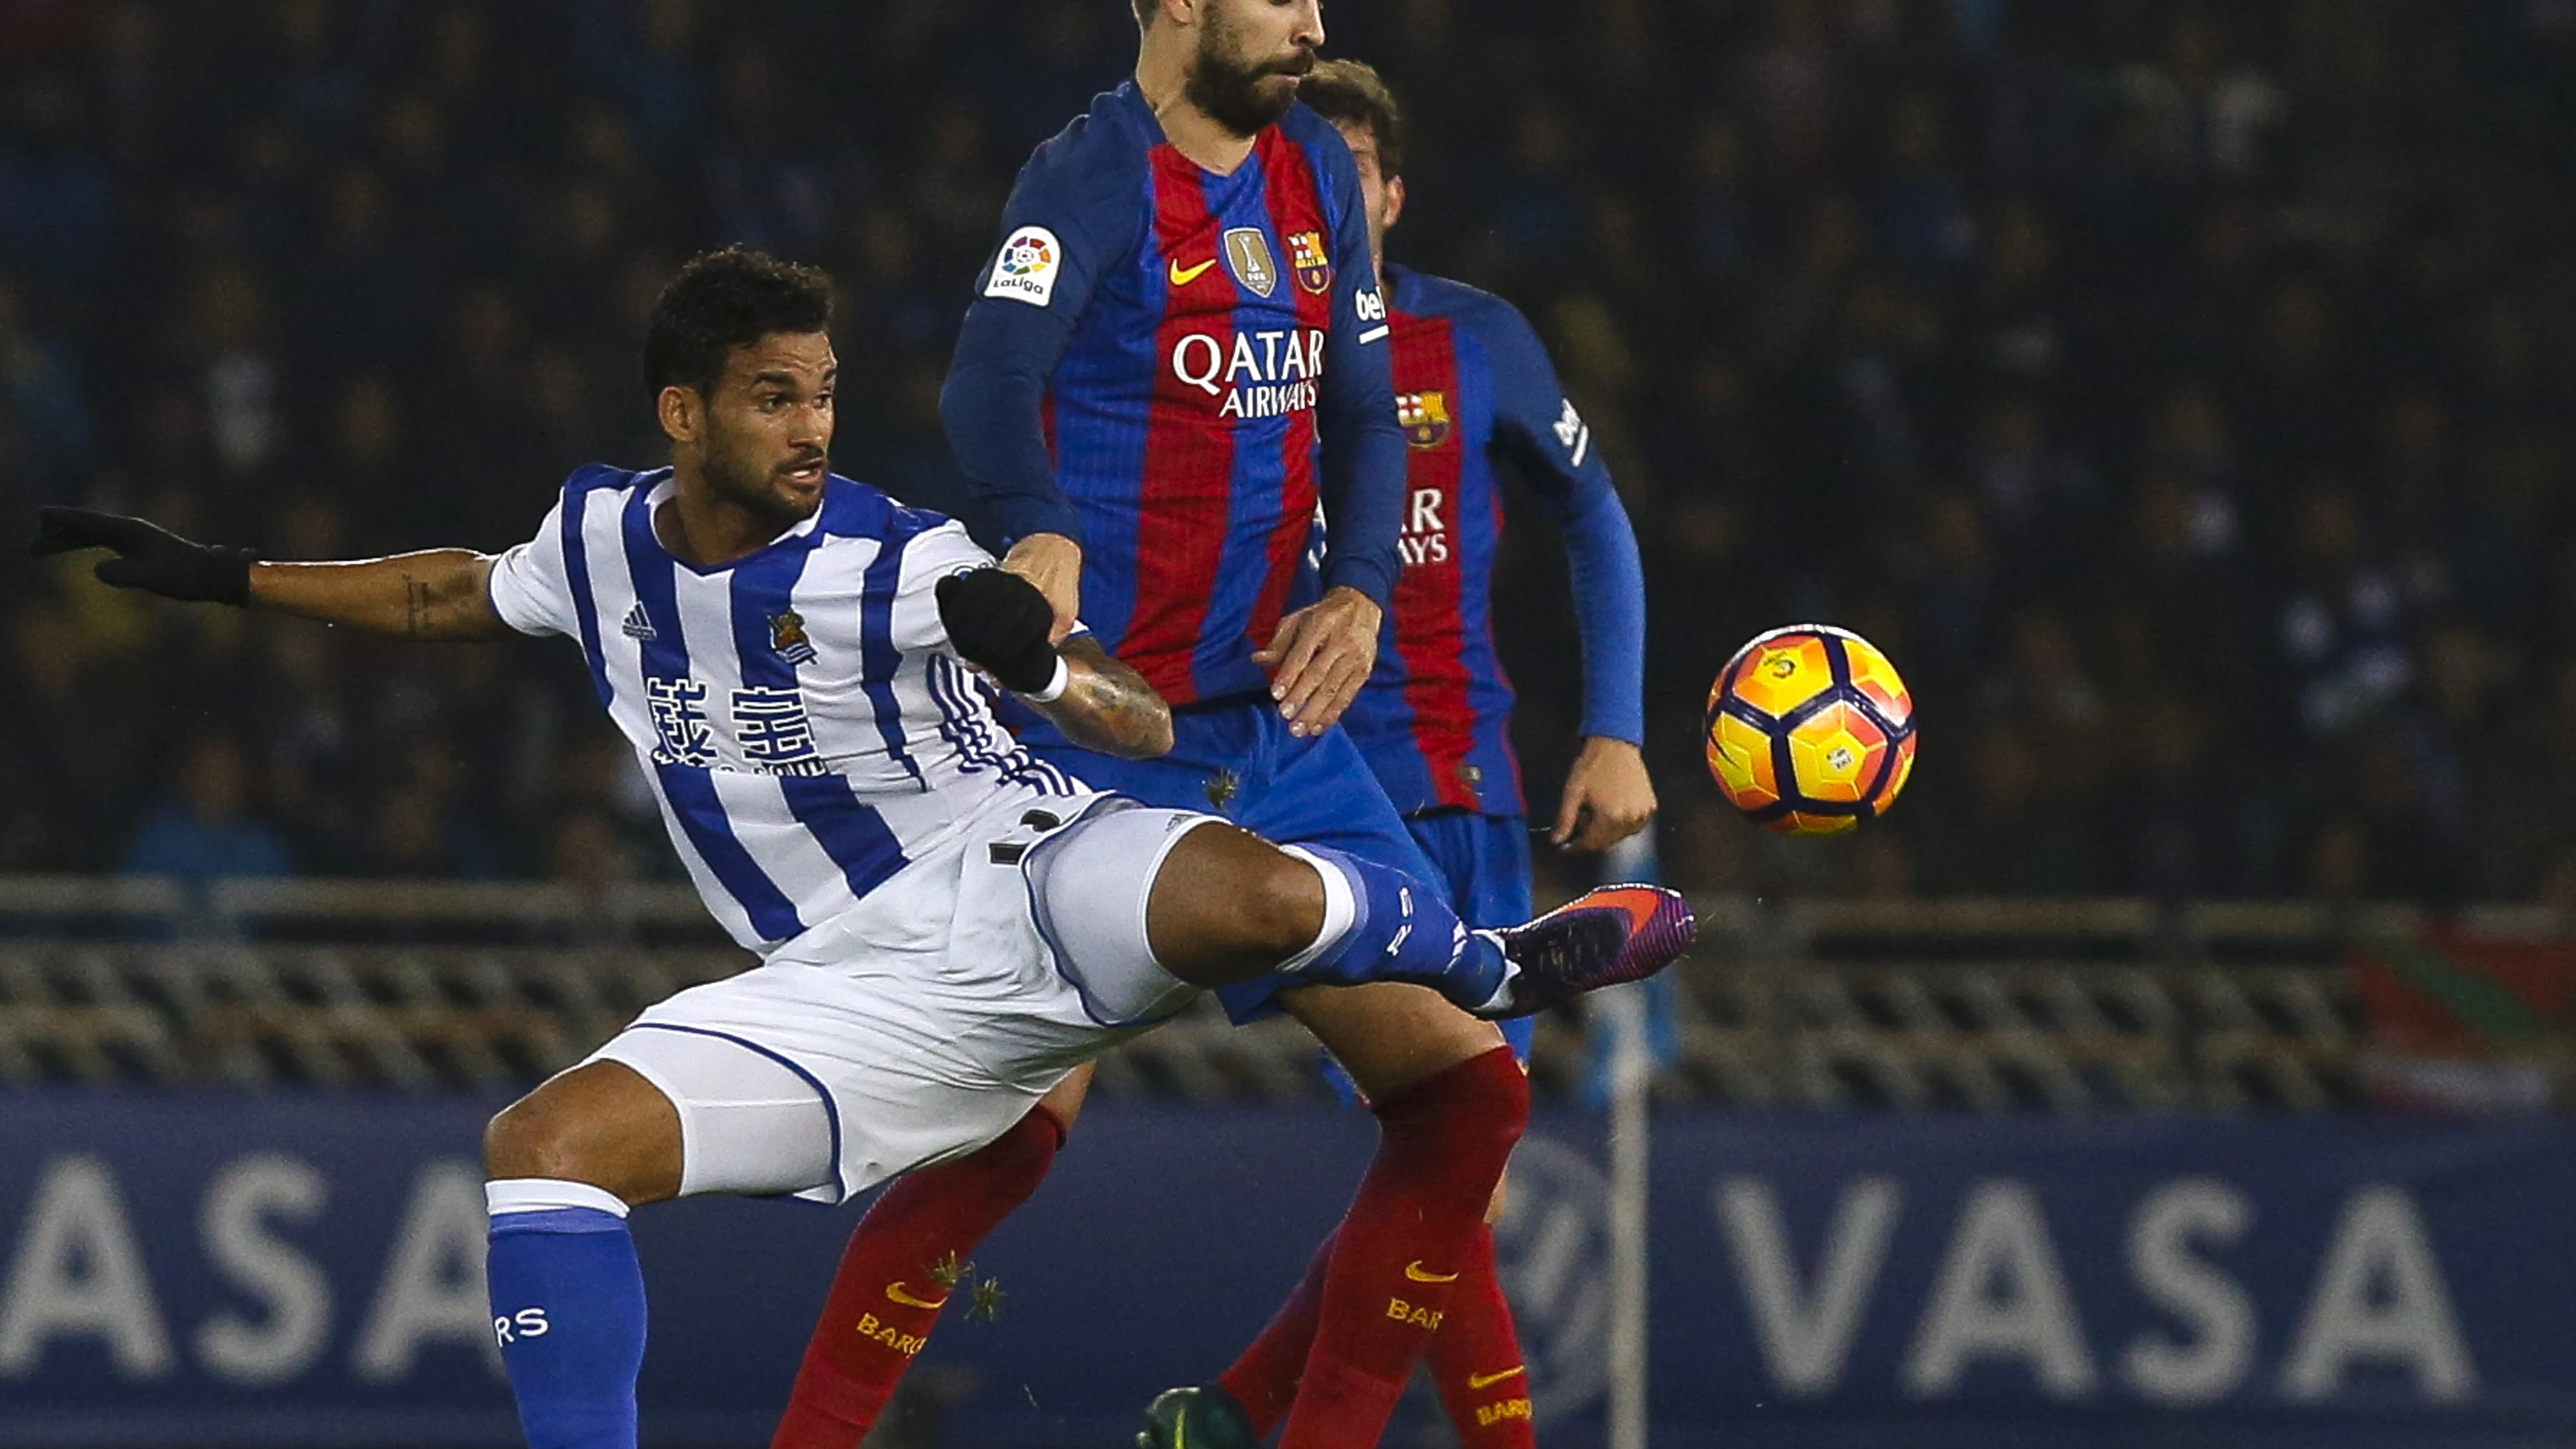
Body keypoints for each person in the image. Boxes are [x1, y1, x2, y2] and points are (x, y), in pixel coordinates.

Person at [28, 246, 1692, 1449]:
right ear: (683, 411)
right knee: (541, 1144)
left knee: (1248, 890)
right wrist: (223, 575)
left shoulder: (895, 557)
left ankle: (1496, 960)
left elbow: (1127, 722)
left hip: (1030, 870)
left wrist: (1036, 657)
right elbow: (448, 587)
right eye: (773, 399)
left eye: (823, 394)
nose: (811, 427)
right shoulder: (602, 533)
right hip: (847, 987)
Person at [770, 6, 1665, 1449]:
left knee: (1467, 1099)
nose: (1312, 18)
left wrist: (1359, 588)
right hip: (1094, 738)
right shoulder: (1089, 177)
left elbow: (1368, 409)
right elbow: (983, 379)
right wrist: (1039, 527)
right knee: (1005, 1139)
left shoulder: (1315, 166)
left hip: (1281, 736)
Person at [1140, 57, 1660, 1449]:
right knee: (1451, 1145)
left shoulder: (1472, 340)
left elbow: (1592, 518)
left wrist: (1613, 727)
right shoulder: (1215, 337)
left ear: (1389, 193)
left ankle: (1237, 1413)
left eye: (1348, 171)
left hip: (1454, 789)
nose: (1322, 192)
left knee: (1446, 1161)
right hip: (1286, 794)